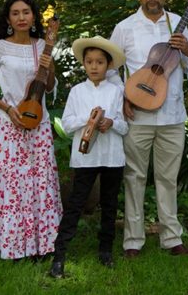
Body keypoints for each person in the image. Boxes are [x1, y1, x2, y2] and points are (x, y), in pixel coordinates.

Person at [109, 0, 188, 257]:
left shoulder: (178, 23)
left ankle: (171, 238)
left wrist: (187, 50)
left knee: (168, 179)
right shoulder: (124, 28)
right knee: (134, 178)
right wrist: (122, 97)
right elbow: (110, 70)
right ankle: (133, 240)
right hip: (138, 115)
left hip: (173, 115)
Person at [0, 0, 62, 260]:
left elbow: (50, 87)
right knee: (10, 183)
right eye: (15, 13)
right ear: (8, 19)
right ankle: (8, 242)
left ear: (34, 16)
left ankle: (42, 244)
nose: (21, 17)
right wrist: (7, 109)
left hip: (39, 125)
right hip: (8, 126)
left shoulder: (42, 45)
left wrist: (49, 66)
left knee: (39, 182)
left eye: (26, 12)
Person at [49, 36, 128, 278]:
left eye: (100, 62)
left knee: (110, 204)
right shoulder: (77, 91)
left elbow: (125, 126)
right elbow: (67, 124)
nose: (94, 66)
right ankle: (60, 254)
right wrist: (90, 120)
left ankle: (105, 251)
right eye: (89, 61)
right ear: (83, 63)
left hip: (112, 155)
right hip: (85, 158)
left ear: (108, 65)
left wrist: (111, 122)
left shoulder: (117, 91)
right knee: (76, 203)